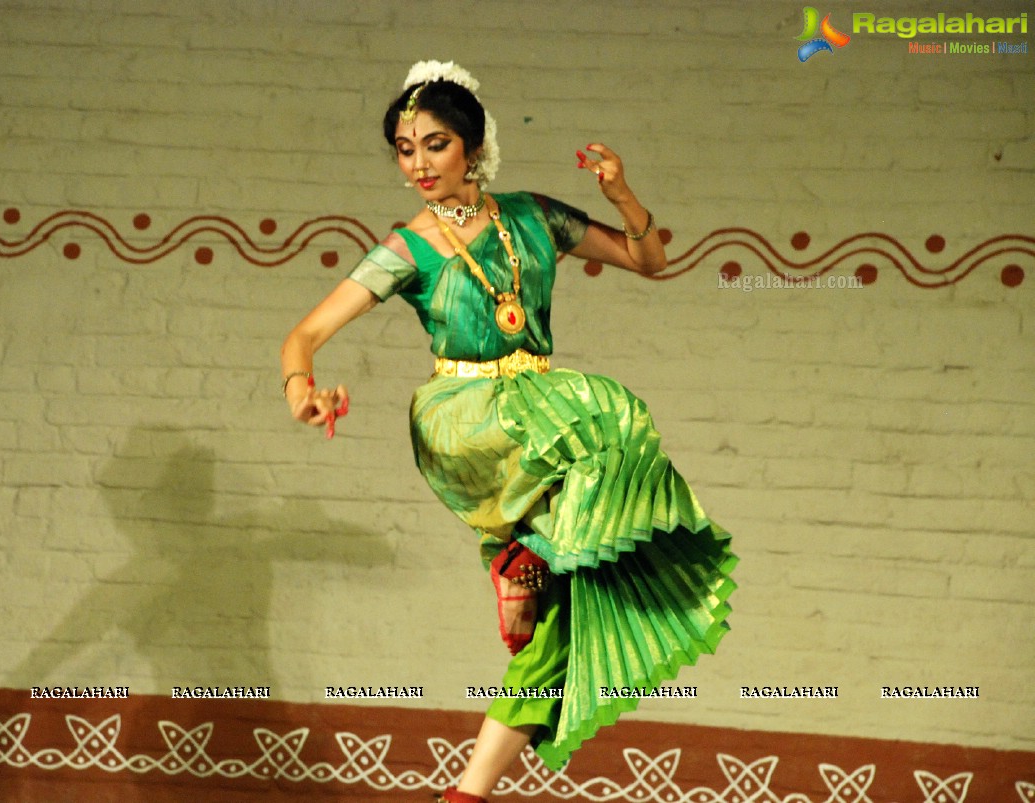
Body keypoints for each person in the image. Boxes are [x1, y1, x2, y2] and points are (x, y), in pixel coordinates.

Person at [280, 60, 736, 803]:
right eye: (404, 147)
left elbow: (649, 261)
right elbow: (302, 335)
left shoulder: (532, 216)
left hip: (536, 409)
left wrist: (618, 193)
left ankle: (468, 789)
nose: (418, 163)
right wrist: (304, 391)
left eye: (433, 144)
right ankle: (519, 553)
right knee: (607, 414)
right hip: (467, 418)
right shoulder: (410, 246)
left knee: (565, 619)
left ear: (471, 145)